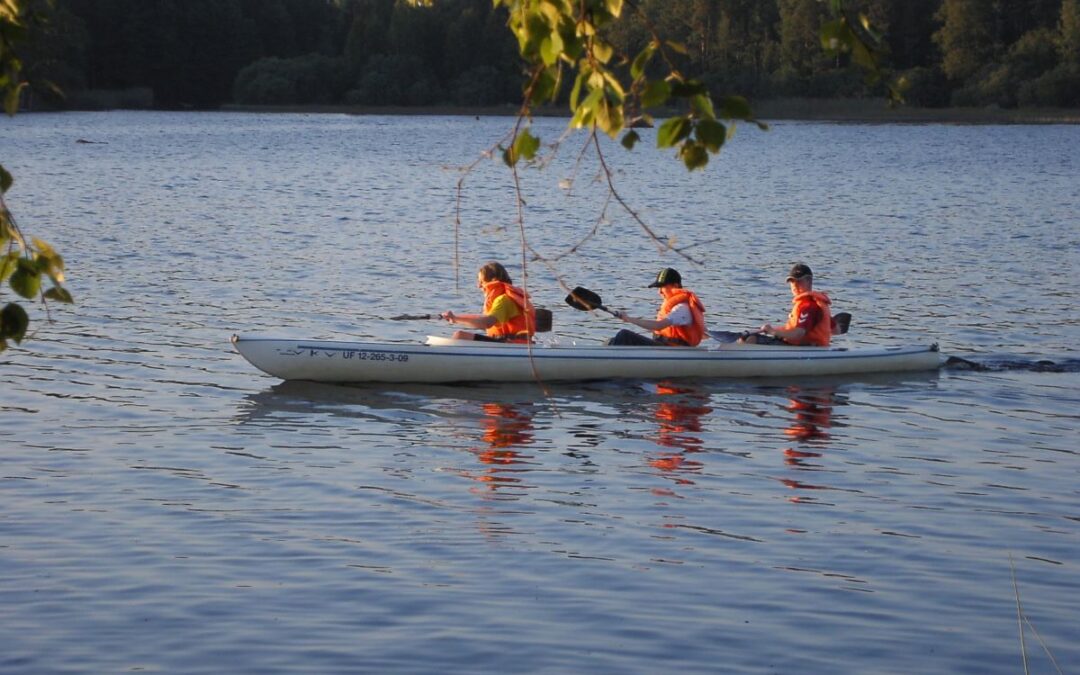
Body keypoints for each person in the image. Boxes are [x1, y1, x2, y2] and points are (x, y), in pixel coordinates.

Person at [440, 261, 537, 343]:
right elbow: (485, 322)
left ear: (493, 281)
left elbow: (487, 322)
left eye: (481, 281)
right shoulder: (504, 298)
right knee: (460, 335)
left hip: (513, 347)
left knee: (460, 335)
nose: (479, 286)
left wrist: (455, 318)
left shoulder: (504, 300)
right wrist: (455, 319)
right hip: (508, 344)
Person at [608, 267, 706, 346]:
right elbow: (660, 329)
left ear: (675, 286)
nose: (660, 291)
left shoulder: (682, 308)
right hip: (664, 347)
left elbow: (658, 326)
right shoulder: (674, 307)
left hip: (673, 352)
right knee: (611, 341)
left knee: (624, 336)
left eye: (662, 287)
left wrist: (629, 319)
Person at [740, 263, 832, 346]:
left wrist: (773, 332)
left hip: (804, 349)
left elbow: (799, 333)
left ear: (808, 281)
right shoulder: (807, 304)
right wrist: (775, 331)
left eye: (799, 281)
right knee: (747, 337)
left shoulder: (808, 306)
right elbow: (833, 328)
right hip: (799, 345)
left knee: (752, 339)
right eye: (792, 282)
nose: (794, 286)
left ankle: (738, 360)